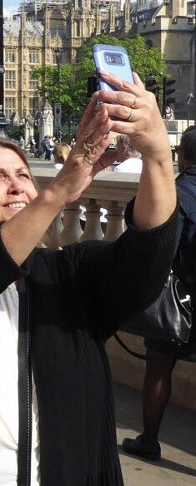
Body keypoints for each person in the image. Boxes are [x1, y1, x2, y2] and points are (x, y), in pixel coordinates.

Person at [0, 70, 177, 484]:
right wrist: (59, 190)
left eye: (23, 176)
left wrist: (156, 155)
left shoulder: (68, 275)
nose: (16, 188)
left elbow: (145, 259)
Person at [121, 125, 196, 461]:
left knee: (159, 366)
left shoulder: (177, 191)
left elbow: (162, 246)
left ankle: (149, 439)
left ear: (182, 155)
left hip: (182, 297)